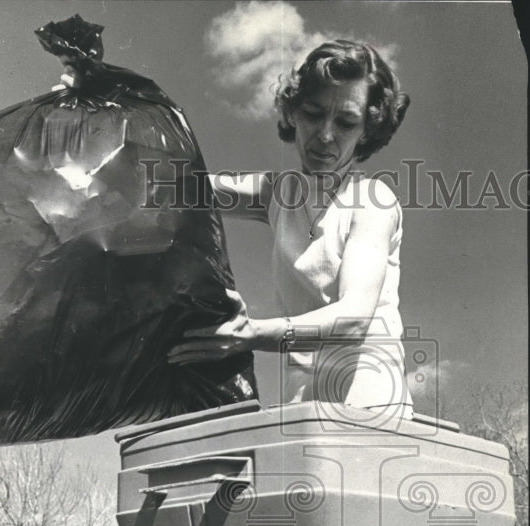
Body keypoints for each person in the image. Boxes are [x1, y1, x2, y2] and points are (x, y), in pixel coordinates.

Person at [167, 39, 413, 420]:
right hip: (300, 416)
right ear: (293, 112)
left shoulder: (372, 201)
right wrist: (94, 99)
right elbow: (173, 186)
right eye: (313, 113)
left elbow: (352, 318)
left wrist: (252, 334)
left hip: (370, 413)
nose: (326, 135)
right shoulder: (276, 194)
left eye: (346, 122)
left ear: (367, 130)